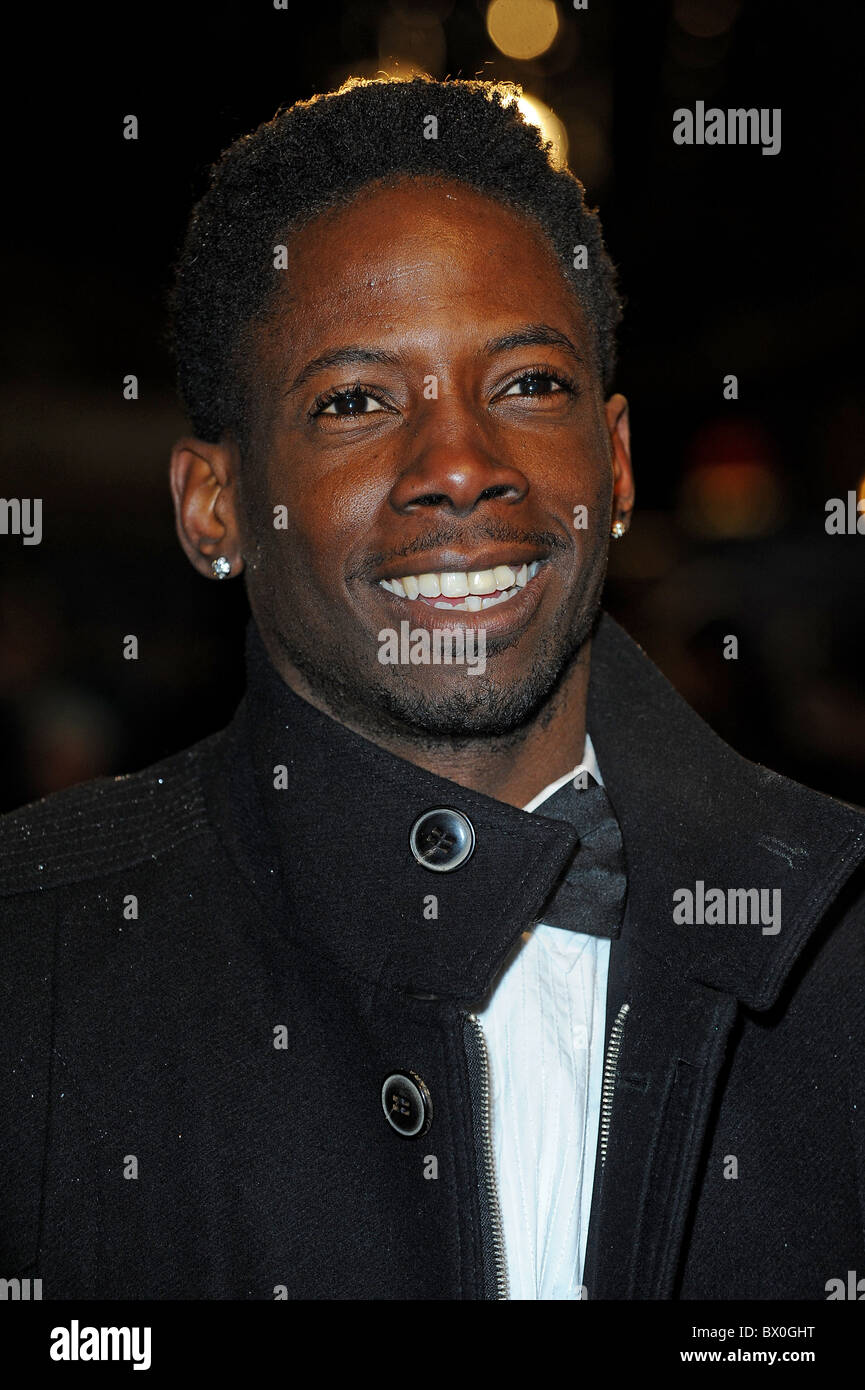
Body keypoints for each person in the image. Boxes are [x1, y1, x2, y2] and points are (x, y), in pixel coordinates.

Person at [1, 76, 863, 1302]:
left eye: (527, 385)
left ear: (614, 464)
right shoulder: (32, 963)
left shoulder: (836, 942)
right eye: (354, 401)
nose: (460, 465)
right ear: (215, 506)